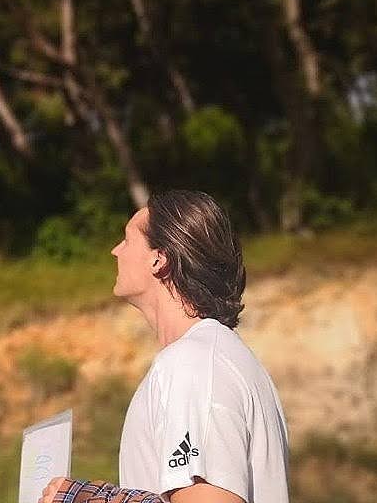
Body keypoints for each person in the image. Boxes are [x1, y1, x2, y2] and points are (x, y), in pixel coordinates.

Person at [38, 190, 290, 503]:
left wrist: (90, 500)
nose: (116, 251)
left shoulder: (192, 363)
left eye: (127, 240)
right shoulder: (223, 357)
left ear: (159, 259)